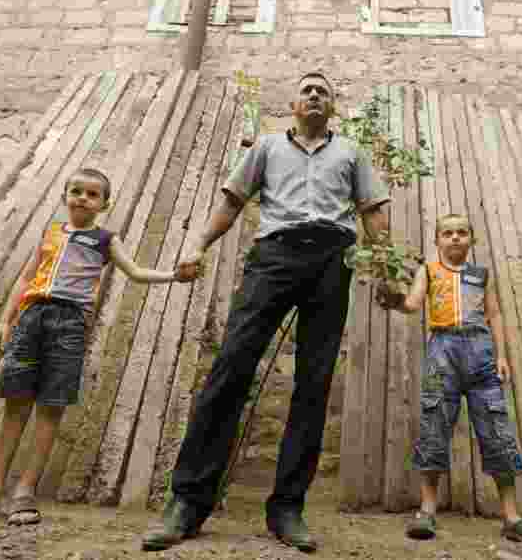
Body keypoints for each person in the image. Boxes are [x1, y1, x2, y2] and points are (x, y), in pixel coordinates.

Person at [141, 72, 392, 553]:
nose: (316, 95)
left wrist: (387, 269)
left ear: (333, 106)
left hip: (331, 262)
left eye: (325, 91)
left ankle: (287, 508)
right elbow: (231, 203)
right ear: (294, 104)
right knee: (230, 368)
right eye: (308, 89)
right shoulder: (267, 148)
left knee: (313, 382)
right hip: (273, 257)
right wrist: (198, 245)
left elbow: (372, 211)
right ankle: (188, 503)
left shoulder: (351, 153)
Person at [0, 167, 196, 527]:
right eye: (76, 191)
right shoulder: (50, 233)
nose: (83, 198)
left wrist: (174, 275)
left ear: (105, 204)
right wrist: (5, 320)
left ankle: (25, 492)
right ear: (65, 195)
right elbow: (28, 277)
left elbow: (135, 272)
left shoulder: (105, 240)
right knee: (14, 403)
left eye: (92, 194)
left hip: (69, 323)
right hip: (31, 318)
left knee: (50, 406)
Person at [377, 213, 522, 544]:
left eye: (461, 232)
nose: (454, 237)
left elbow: (495, 314)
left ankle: (512, 517)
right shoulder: (427, 271)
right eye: (447, 233)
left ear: (471, 239)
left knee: (497, 428)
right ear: (437, 240)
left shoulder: (481, 275)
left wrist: (500, 356)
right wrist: (394, 298)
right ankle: (427, 511)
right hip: (443, 350)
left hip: (481, 352)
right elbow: (413, 304)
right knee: (434, 425)